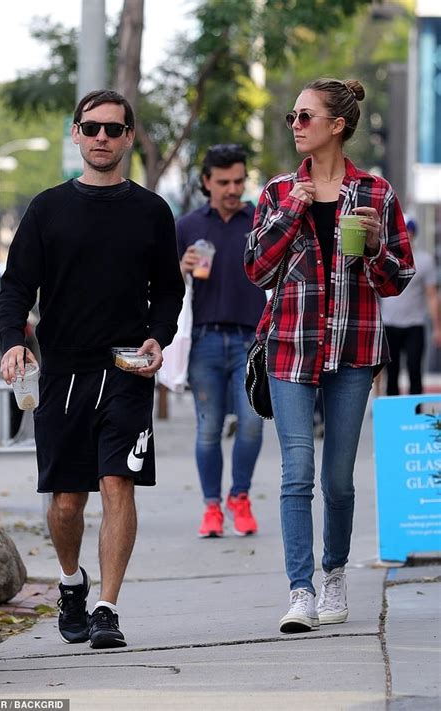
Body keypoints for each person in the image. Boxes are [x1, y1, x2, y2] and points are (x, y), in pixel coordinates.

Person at [0, 89, 185, 649]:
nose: (102, 137)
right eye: (92, 128)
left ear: (129, 137)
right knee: (66, 502)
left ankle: (107, 606)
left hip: (126, 370)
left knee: (117, 482)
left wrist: (158, 337)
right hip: (63, 373)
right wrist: (13, 343)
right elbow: (15, 287)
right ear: (75, 134)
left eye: (113, 129)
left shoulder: (151, 210)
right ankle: (71, 582)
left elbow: (169, 293)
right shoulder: (47, 208)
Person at [244, 78, 415, 633]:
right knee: (297, 473)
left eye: (304, 116)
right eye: (292, 117)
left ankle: (334, 571)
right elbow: (257, 270)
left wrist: (375, 249)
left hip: (355, 348)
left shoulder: (376, 193)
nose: (295, 125)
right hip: (291, 348)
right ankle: (301, 591)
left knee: (338, 479)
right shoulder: (276, 192)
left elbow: (398, 281)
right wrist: (293, 208)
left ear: (336, 125)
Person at [177, 144, 267, 538]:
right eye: (224, 182)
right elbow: (160, 286)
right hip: (205, 341)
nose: (233, 189)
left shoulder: (262, 220)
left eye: (239, 180)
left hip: (252, 339)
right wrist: (180, 268)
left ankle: (240, 497)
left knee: (252, 424)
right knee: (208, 427)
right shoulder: (187, 226)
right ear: (207, 182)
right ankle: (211, 507)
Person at [381, 218, 441, 395]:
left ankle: (415, 413)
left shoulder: (425, 260)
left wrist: (437, 327)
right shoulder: (386, 257)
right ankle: (393, 415)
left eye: (408, 231)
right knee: (391, 373)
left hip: (415, 323)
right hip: (389, 322)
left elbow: (431, 295)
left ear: (413, 234)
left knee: (415, 369)